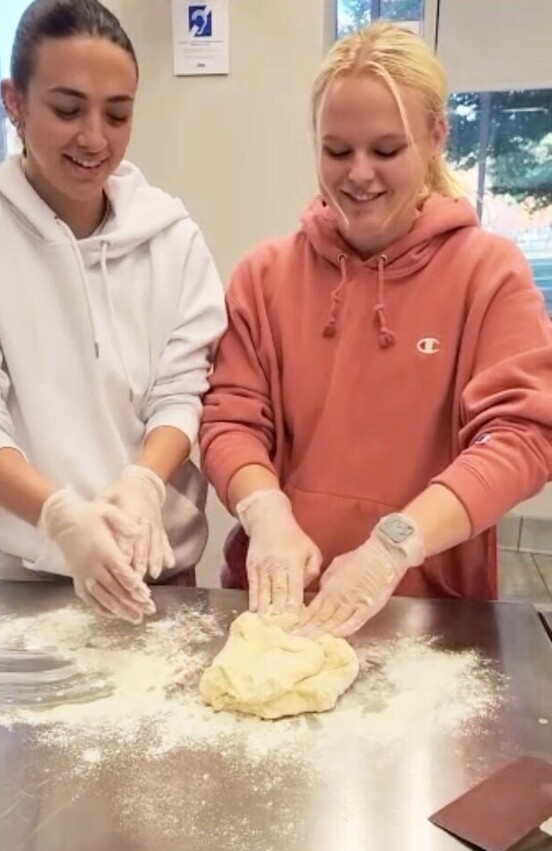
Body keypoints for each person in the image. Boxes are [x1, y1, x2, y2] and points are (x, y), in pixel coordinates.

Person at [200, 20, 552, 638]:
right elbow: (230, 420)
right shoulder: (264, 276)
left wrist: (396, 543)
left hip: (432, 614)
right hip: (279, 608)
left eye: (386, 150)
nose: (359, 174)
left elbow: (522, 436)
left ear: (437, 136)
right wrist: (266, 510)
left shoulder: (487, 273)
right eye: (337, 151)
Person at [0, 0, 226, 623]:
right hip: (19, 580)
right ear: (14, 101)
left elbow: (181, 389)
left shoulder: (171, 237)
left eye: (118, 114)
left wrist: (143, 482)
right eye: (67, 110)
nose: (95, 138)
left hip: (157, 571)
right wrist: (60, 517)